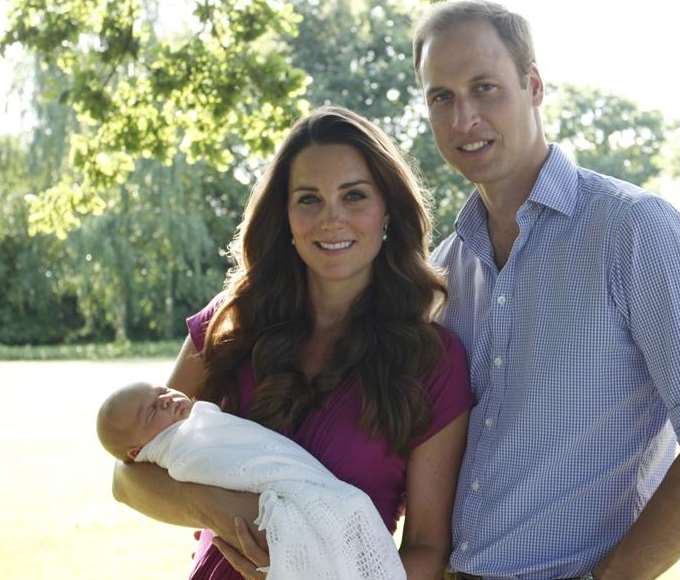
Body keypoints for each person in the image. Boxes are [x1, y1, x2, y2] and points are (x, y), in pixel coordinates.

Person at [412, 2, 680, 579]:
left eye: (484, 88)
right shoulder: (444, 270)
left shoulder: (634, 230)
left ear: (532, 86)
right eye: (441, 97)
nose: (463, 118)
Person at [111, 106, 473, 580]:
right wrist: (219, 508)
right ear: (284, 215)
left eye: (354, 196)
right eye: (309, 199)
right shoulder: (231, 321)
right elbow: (128, 477)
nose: (332, 219)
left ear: (388, 210)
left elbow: (427, 548)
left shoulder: (433, 361)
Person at [97, 382, 405, 579]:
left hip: (325, 501)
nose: (165, 400)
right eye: (151, 412)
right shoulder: (181, 449)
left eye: (161, 391)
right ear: (138, 450)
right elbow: (123, 481)